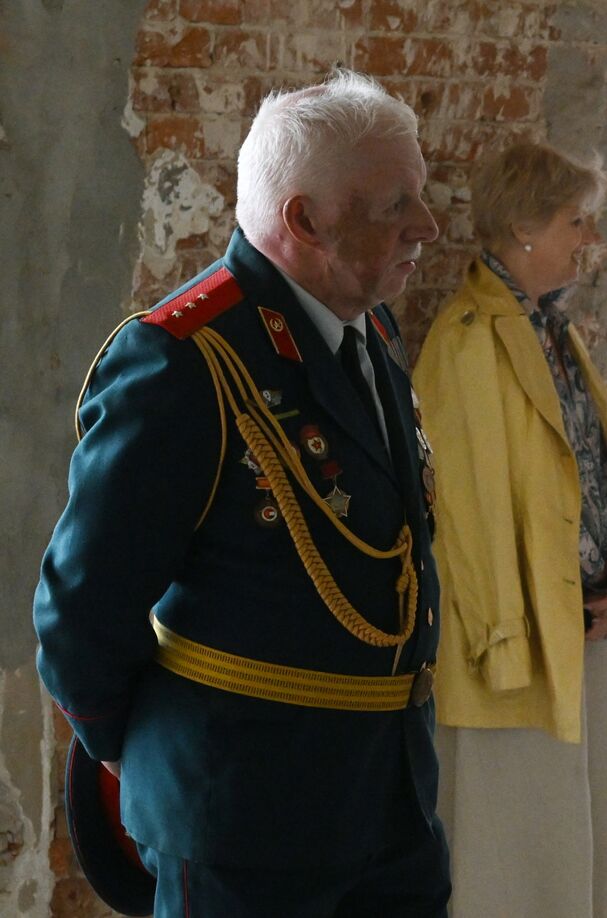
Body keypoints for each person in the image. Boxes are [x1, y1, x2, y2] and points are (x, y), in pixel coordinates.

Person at [33, 71, 448, 916]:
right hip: (242, 820)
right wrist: (148, 753)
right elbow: (81, 611)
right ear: (304, 220)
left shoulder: (370, 326)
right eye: (395, 204)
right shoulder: (184, 361)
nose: (427, 226)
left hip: (387, 804)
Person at [414, 141, 607, 918]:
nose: (591, 239)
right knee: (510, 853)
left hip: (575, 623)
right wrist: (506, 637)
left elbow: (587, 461)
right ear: (523, 228)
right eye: (574, 221)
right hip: (511, 647)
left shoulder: (550, 329)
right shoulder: (466, 341)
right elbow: (463, 520)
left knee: (569, 840)